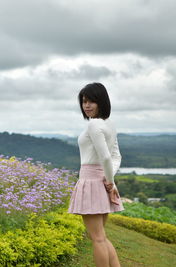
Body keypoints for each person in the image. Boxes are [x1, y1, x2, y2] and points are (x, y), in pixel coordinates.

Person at [68, 82, 125, 267]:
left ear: (101, 101)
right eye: (84, 101)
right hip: (101, 182)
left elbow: (108, 158)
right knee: (102, 236)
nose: (87, 105)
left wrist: (109, 181)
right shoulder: (110, 125)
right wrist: (110, 181)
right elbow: (116, 157)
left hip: (92, 182)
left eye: (92, 101)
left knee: (97, 238)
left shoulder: (94, 125)